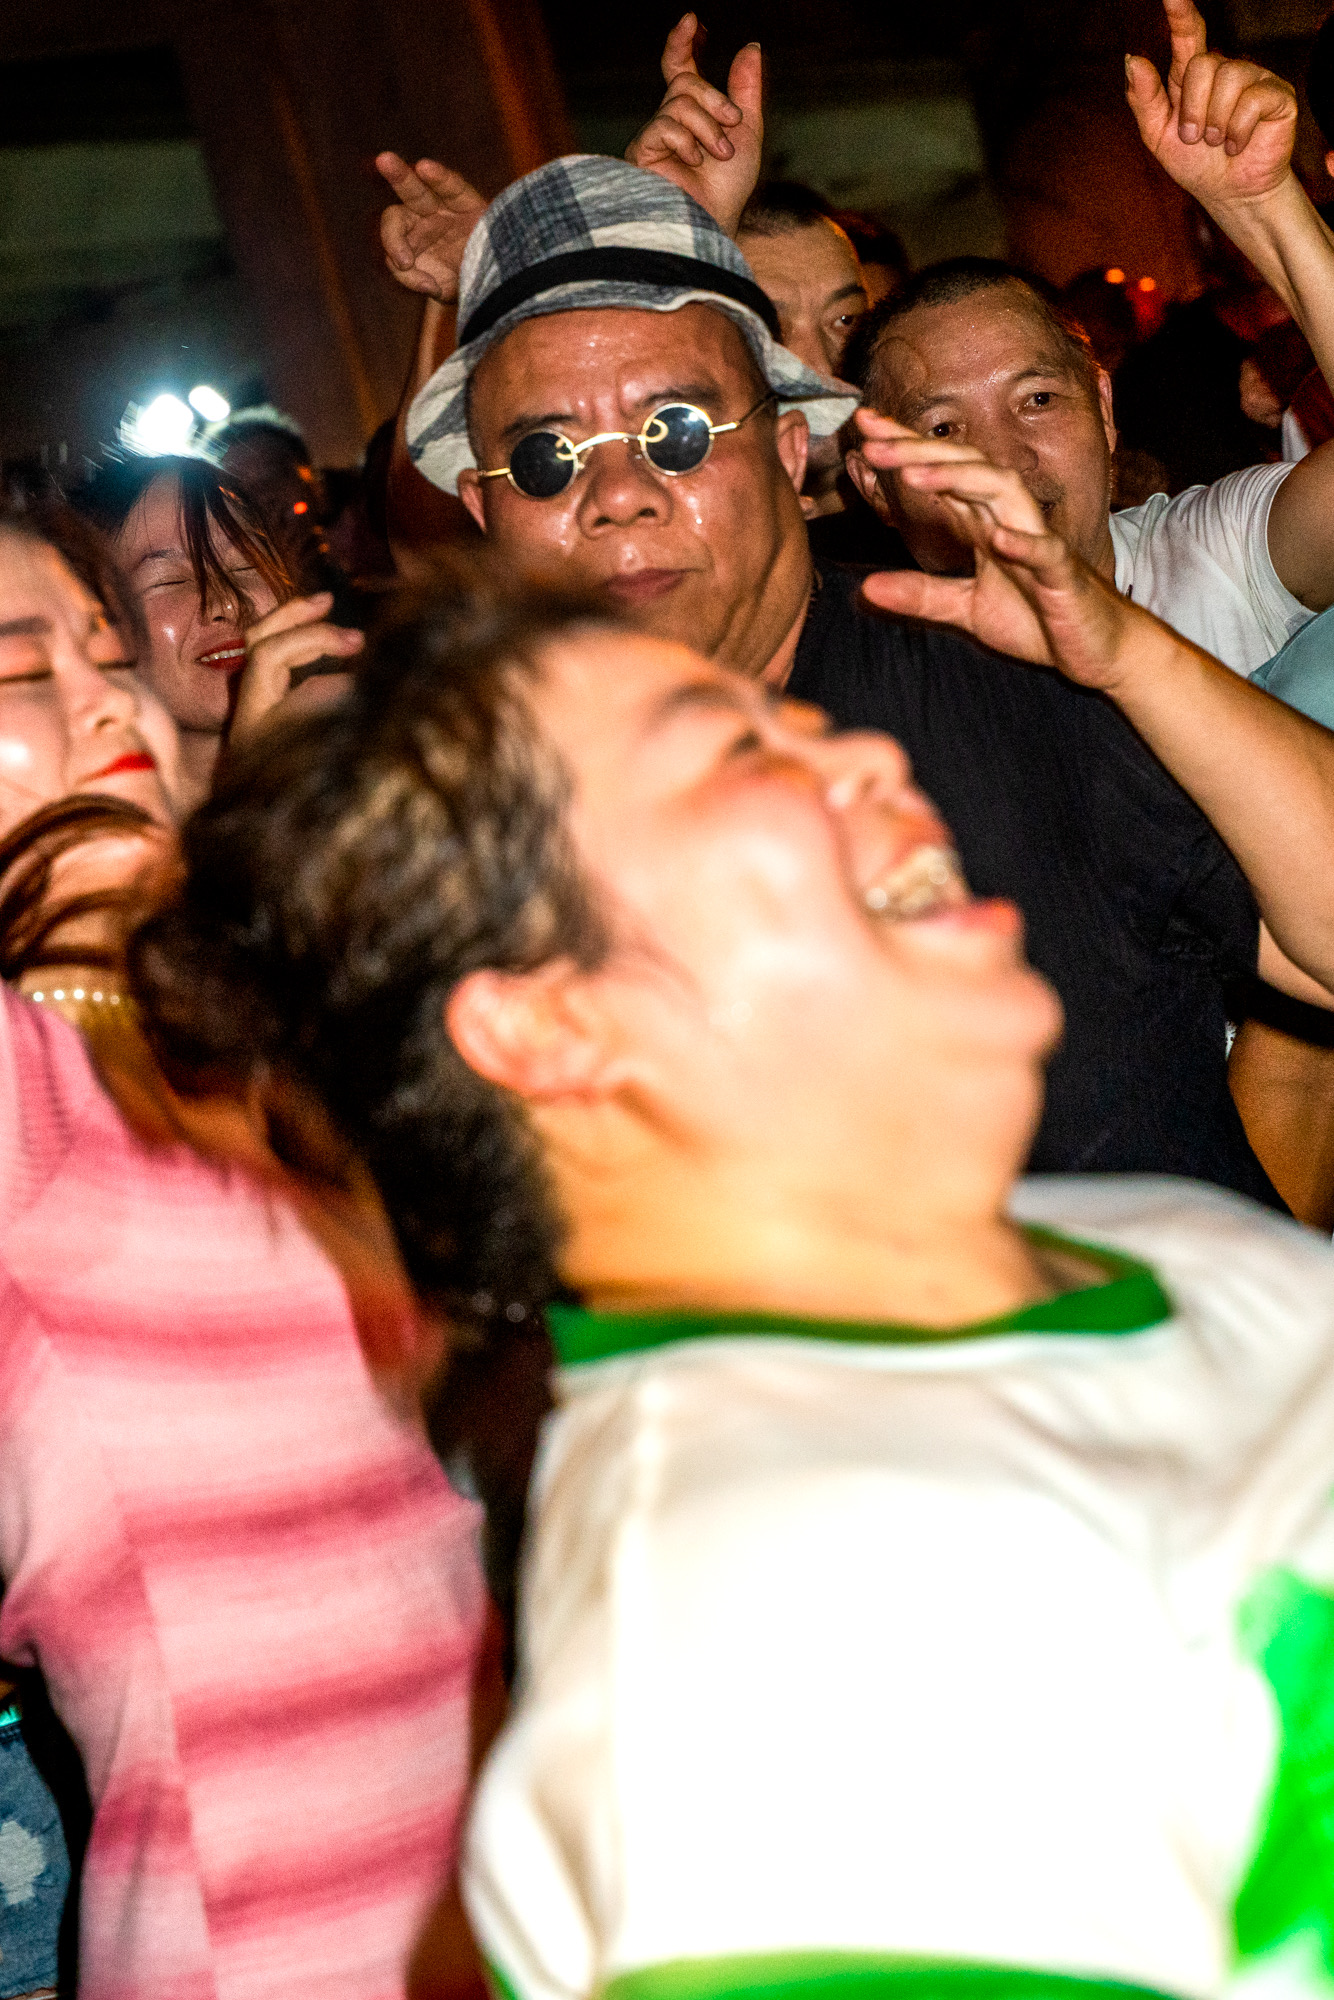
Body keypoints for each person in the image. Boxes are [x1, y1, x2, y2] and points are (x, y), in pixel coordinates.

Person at [128, 577, 1334, 2000]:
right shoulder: (755, 1656)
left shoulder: (1142, 1241)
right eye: (742, 754)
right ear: (552, 1020)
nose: (870, 757)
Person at [394, 138, 1334, 1204]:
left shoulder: (1004, 678)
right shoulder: (465, 825)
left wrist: (1135, 659)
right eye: (543, 457)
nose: (618, 493)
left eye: (677, 429)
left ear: (791, 455)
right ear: (482, 512)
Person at [842, 0, 1334, 682]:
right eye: (945, 426)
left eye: (1038, 398)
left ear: (1103, 408)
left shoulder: (1212, 556)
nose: (1005, 458)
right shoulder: (865, 679)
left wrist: (1264, 205)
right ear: (873, 482)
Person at [77, 455, 364, 809]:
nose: (226, 602)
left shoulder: (360, 764)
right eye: (169, 579)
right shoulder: (97, 832)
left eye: (245, 564)